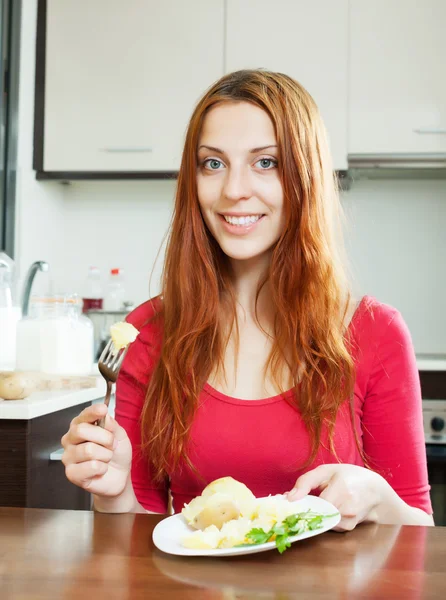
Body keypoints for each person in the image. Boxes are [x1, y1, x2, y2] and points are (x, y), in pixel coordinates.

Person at [61, 70, 434, 530]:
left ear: (306, 175)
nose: (234, 189)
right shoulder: (149, 331)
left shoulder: (375, 331)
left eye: (266, 163)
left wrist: (377, 498)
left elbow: (419, 536)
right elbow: (134, 547)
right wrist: (114, 492)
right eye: (213, 164)